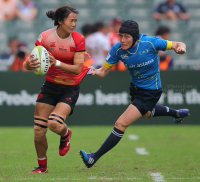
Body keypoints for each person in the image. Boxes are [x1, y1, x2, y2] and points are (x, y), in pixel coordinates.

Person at [79, 20, 190, 168]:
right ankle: (176, 113)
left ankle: (93, 157)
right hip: (135, 89)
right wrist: (93, 71)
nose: (123, 40)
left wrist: (180, 48)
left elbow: (178, 44)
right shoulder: (117, 49)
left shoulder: (150, 43)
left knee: (120, 123)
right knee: (144, 113)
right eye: (121, 36)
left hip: (151, 91)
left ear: (135, 37)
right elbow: (103, 72)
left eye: (127, 37)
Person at [23, 5, 89, 173]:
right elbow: (30, 62)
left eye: (76, 21)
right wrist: (28, 64)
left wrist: (57, 62)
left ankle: (65, 134)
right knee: (38, 130)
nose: (74, 24)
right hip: (50, 86)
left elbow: (77, 69)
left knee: (54, 123)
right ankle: (42, 167)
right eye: (71, 20)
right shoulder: (45, 37)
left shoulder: (78, 39)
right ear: (60, 21)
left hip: (69, 88)